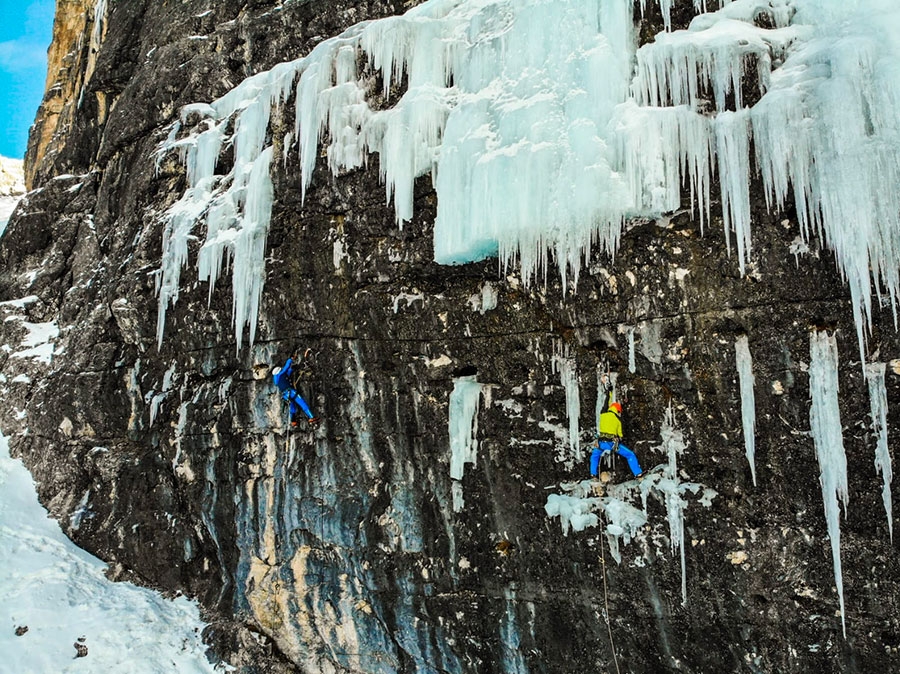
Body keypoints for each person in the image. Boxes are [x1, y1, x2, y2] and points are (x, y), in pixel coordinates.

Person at [590, 400, 643, 479]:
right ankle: (638, 474)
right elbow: (620, 434)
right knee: (630, 455)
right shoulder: (617, 419)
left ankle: (593, 474)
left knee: (594, 456)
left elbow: (605, 404)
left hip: (600, 443)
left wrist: (609, 392)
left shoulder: (602, 415)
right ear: (618, 411)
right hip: (611, 444)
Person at [272, 354, 319, 426]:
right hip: (291, 392)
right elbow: (286, 368)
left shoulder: (278, 379)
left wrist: (292, 369)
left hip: (286, 396)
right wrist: (290, 359)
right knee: (302, 403)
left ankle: (293, 422)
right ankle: (311, 417)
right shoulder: (281, 374)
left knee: (292, 408)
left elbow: (287, 373)